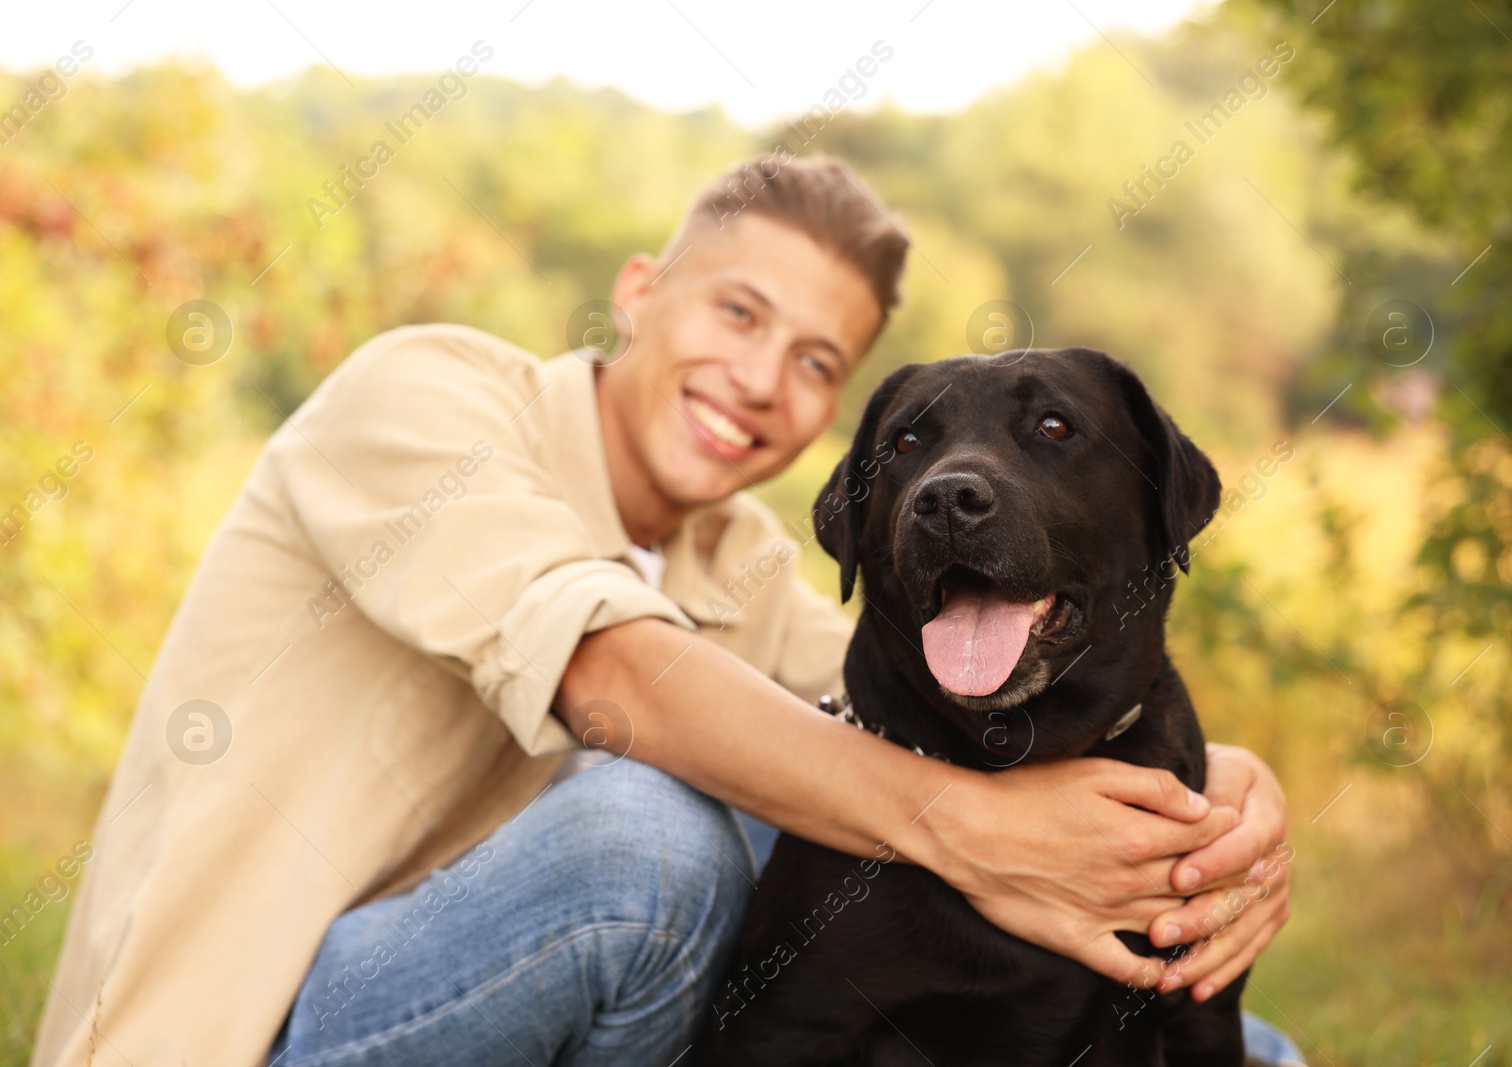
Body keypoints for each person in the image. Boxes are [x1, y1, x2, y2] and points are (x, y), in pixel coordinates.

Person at [32, 155, 1299, 1067]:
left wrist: (1214, 800)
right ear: (639, 292)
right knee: (649, 842)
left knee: (1238, 1036)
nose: (760, 378)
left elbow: (937, 713)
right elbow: (621, 682)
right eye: (737, 311)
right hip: (252, 1031)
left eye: (814, 362)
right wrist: (972, 829)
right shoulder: (422, 400)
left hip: (532, 1022)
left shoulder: (728, 563)